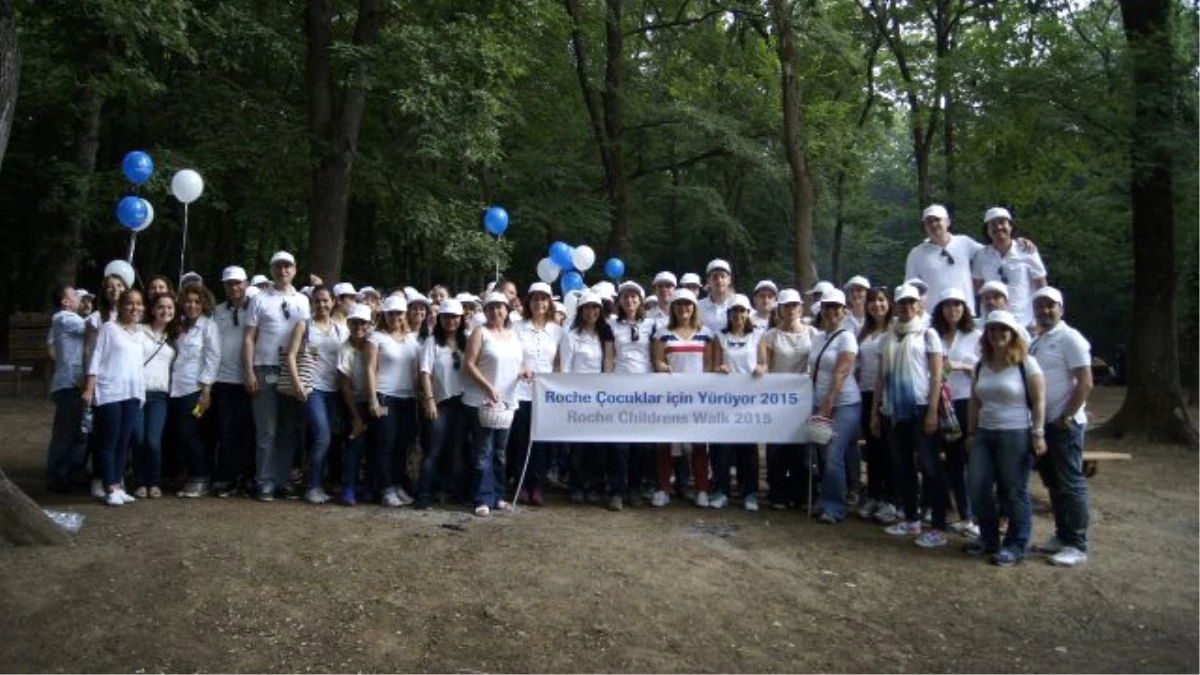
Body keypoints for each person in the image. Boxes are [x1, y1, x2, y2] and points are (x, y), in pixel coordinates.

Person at [964, 310, 1046, 567]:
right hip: (985, 432)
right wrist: (970, 432)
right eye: (992, 330)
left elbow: (1039, 399)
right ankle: (989, 539)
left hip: (1016, 432)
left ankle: (1015, 544)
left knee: (1012, 490)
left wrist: (1038, 432)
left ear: (1012, 334)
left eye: (1003, 330)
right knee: (976, 487)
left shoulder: (1026, 363)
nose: (997, 334)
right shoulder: (981, 365)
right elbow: (975, 400)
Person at [871, 285, 944, 543]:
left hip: (921, 405)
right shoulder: (888, 336)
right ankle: (911, 519)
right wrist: (875, 412)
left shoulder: (928, 334)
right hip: (892, 408)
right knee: (902, 466)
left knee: (930, 466)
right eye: (902, 302)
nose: (906, 307)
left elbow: (937, 375)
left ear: (919, 304)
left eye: (911, 302)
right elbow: (880, 377)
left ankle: (937, 526)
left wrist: (933, 410)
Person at [1028, 287, 1094, 567]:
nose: (1045, 310)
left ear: (1061, 309)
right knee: (1054, 484)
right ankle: (1061, 535)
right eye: (1040, 306)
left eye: (1050, 306)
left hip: (1065, 424)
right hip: (1043, 424)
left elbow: (1085, 381)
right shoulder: (1038, 340)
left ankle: (1077, 544)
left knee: (1072, 484)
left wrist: (1066, 417)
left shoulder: (1070, 338)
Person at [243, 250, 312, 501]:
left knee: (288, 429)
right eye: (278, 267)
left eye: (287, 267)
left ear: (294, 270)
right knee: (267, 429)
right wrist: (249, 371)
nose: (283, 271)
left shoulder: (303, 301)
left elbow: (306, 337)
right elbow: (249, 338)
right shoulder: (259, 299)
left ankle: (282, 480)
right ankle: (264, 481)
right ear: (272, 270)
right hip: (265, 368)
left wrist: (304, 375)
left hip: (291, 371)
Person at [283, 285, 346, 504]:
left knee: (326, 439)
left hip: (334, 391)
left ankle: (317, 482)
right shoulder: (304, 326)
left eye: (325, 300)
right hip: (313, 388)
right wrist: (297, 382)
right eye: (317, 301)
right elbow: (290, 355)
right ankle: (313, 486)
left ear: (333, 302)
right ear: (312, 303)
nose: (321, 305)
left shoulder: (339, 329)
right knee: (323, 437)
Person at [462, 292, 523, 517]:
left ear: (507, 310)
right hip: (483, 401)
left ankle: (498, 496)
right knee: (483, 451)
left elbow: (519, 362)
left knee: (499, 452)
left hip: (508, 403)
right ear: (485, 311)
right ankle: (482, 497)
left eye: (501, 307)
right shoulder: (481, 333)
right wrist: (487, 386)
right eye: (492, 307)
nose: (497, 311)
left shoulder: (514, 335)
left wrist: (524, 371)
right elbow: (468, 364)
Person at [83, 289, 146, 506]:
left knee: (124, 441)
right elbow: (96, 356)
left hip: (132, 392)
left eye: (139, 304)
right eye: (130, 303)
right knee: (109, 439)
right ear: (120, 306)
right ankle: (109, 486)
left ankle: (117, 485)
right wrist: (90, 387)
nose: (135, 308)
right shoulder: (109, 328)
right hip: (110, 391)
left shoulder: (139, 333)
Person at [652, 288, 714, 507]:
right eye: (679, 304)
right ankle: (662, 488)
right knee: (666, 444)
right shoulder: (662, 333)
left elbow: (709, 366)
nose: (683, 308)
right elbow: (657, 361)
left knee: (698, 445)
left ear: (694, 307)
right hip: (669, 397)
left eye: (687, 304)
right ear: (673, 308)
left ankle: (702, 490)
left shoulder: (706, 333)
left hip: (697, 398)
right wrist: (661, 366)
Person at [807, 289, 862, 523]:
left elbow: (842, 371)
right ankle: (827, 497)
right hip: (820, 402)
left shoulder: (847, 337)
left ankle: (835, 507)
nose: (830, 312)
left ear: (843, 311)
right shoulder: (818, 337)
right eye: (827, 307)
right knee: (822, 453)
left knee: (833, 452)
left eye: (835, 307)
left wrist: (829, 402)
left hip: (844, 404)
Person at [931, 287, 982, 539]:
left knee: (970, 461)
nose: (953, 310)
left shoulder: (976, 336)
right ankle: (962, 514)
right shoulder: (934, 335)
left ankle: (974, 515)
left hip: (966, 402)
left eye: (958, 305)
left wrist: (961, 365)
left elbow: (985, 369)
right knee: (951, 461)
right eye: (948, 305)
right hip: (941, 403)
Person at [759, 288, 816, 509]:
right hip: (777, 399)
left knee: (801, 449)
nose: (791, 309)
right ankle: (778, 493)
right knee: (776, 449)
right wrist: (760, 369)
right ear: (779, 310)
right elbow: (766, 364)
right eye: (786, 306)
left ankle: (800, 494)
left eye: (794, 305)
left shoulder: (812, 333)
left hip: (803, 398)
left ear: (800, 308)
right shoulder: (770, 336)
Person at [560, 291, 616, 507]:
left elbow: (609, 364)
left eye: (595, 308)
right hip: (576, 397)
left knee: (598, 446)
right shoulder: (571, 335)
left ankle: (594, 486)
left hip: (600, 397)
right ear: (580, 311)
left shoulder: (605, 334)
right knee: (578, 445)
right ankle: (576, 485)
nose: (591, 312)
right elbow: (565, 368)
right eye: (587, 308)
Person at [509, 282, 563, 507]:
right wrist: (521, 368)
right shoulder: (517, 327)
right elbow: (511, 356)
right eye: (535, 299)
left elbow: (559, 362)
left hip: (545, 394)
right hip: (521, 391)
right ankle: (521, 484)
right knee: (520, 440)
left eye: (544, 299)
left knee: (541, 443)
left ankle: (537, 485)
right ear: (528, 302)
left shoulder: (557, 330)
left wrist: (556, 383)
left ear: (549, 303)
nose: (539, 303)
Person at [709, 294, 764, 511]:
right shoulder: (719, 337)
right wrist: (719, 369)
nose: (738, 315)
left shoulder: (758, 335)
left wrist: (761, 369)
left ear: (748, 313)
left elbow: (763, 363)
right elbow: (714, 366)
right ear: (729, 314)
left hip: (749, 402)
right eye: (734, 311)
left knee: (748, 449)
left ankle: (750, 492)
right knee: (722, 448)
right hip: (724, 400)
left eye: (742, 311)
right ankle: (721, 490)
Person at [366, 294, 420, 507]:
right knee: (385, 444)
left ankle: (397, 484)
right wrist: (373, 399)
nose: (395, 317)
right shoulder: (376, 338)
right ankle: (385, 487)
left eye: (398, 313)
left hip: (407, 398)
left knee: (402, 444)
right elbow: (370, 369)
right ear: (384, 315)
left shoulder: (412, 339)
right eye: (390, 313)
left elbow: (416, 370)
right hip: (385, 395)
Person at [609, 281, 659, 507]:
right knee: (619, 444)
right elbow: (610, 357)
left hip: (645, 389)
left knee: (641, 444)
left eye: (634, 297)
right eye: (625, 297)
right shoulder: (612, 324)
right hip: (619, 388)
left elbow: (655, 355)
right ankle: (617, 491)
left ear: (640, 300)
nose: (629, 301)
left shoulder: (652, 324)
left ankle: (635, 488)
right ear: (619, 301)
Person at [416, 299, 469, 509]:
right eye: (447, 317)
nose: (451, 321)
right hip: (440, 403)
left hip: (463, 402)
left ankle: (451, 491)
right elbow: (424, 372)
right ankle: (424, 494)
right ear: (440, 319)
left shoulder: (467, 341)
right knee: (433, 450)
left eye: (455, 317)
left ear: (461, 319)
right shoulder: (432, 342)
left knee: (456, 450)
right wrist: (429, 401)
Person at [172, 284, 222, 498]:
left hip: (196, 389)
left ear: (204, 305)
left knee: (192, 433)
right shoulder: (179, 327)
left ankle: (201, 477)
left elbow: (213, 358)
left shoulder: (209, 326)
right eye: (188, 301)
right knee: (183, 435)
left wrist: (206, 391)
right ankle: (192, 475)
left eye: (196, 302)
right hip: (176, 388)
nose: (191, 305)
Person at [212, 266, 256, 497]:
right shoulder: (217, 311)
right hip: (224, 378)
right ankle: (227, 477)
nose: (234, 287)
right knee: (226, 431)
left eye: (238, 283)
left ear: (246, 283)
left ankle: (248, 477)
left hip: (250, 378)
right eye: (230, 283)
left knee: (249, 430)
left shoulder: (256, 307)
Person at [856, 286, 896, 522]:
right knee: (872, 448)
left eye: (881, 300)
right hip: (866, 393)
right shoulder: (865, 332)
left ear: (888, 303)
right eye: (872, 301)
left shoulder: (894, 330)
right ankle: (874, 495)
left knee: (889, 448)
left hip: (888, 395)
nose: (876, 305)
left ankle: (891, 500)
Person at [904, 204, 985, 316]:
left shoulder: (964, 243)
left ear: (947, 222)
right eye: (929, 222)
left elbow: (990, 253)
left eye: (937, 220)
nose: (933, 224)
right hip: (933, 316)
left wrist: (1016, 244)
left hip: (965, 313)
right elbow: (911, 287)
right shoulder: (916, 253)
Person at [972, 207, 1047, 327]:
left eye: (1002, 222)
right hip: (992, 323)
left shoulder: (1027, 250)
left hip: (1024, 322)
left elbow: (1041, 286)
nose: (998, 227)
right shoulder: (981, 255)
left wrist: (1041, 319)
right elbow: (977, 288)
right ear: (987, 230)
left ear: (1011, 226)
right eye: (993, 224)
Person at [45, 285, 87, 492]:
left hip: (76, 383)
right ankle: (57, 476)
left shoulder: (70, 319)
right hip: (68, 384)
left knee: (78, 431)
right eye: (74, 295)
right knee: (66, 432)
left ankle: (71, 474)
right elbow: (90, 327)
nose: (79, 298)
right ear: (65, 302)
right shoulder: (64, 318)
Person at [133, 290, 175, 498]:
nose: (165, 311)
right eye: (161, 307)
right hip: (138, 393)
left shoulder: (175, 336)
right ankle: (140, 482)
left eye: (169, 307)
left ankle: (154, 481)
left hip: (159, 396)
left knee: (153, 441)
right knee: (139, 439)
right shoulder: (139, 331)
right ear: (152, 310)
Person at [337, 304, 374, 505]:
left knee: (374, 446)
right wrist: (356, 416)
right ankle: (349, 487)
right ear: (349, 323)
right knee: (354, 444)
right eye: (355, 322)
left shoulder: (375, 344)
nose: (359, 326)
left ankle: (368, 485)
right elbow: (344, 385)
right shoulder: (345, 349)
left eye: (363, 322)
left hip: (375, 400)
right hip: (355, 403)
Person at [698, 259, 735, 333]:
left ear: (729, 279)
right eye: (715, 277)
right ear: (708, 280)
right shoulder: (698, 306)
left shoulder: (739, 302)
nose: (719, 280)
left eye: (722, 276)